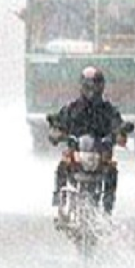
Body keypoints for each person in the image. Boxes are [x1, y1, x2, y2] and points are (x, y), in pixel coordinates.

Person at [49, 66, 128, 216]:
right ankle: (59, 198)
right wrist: (57, 133)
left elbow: (118, 125)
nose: (91, 91)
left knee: (112, 169)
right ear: (81, 87)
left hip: (100, 155)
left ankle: (108, 205)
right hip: (77, 154)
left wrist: (119, 133)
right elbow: (58, 123)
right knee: (63, 164)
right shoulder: (72, 108)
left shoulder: (108, 110)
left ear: (102, 87)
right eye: (88, 87)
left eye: (95, 86)